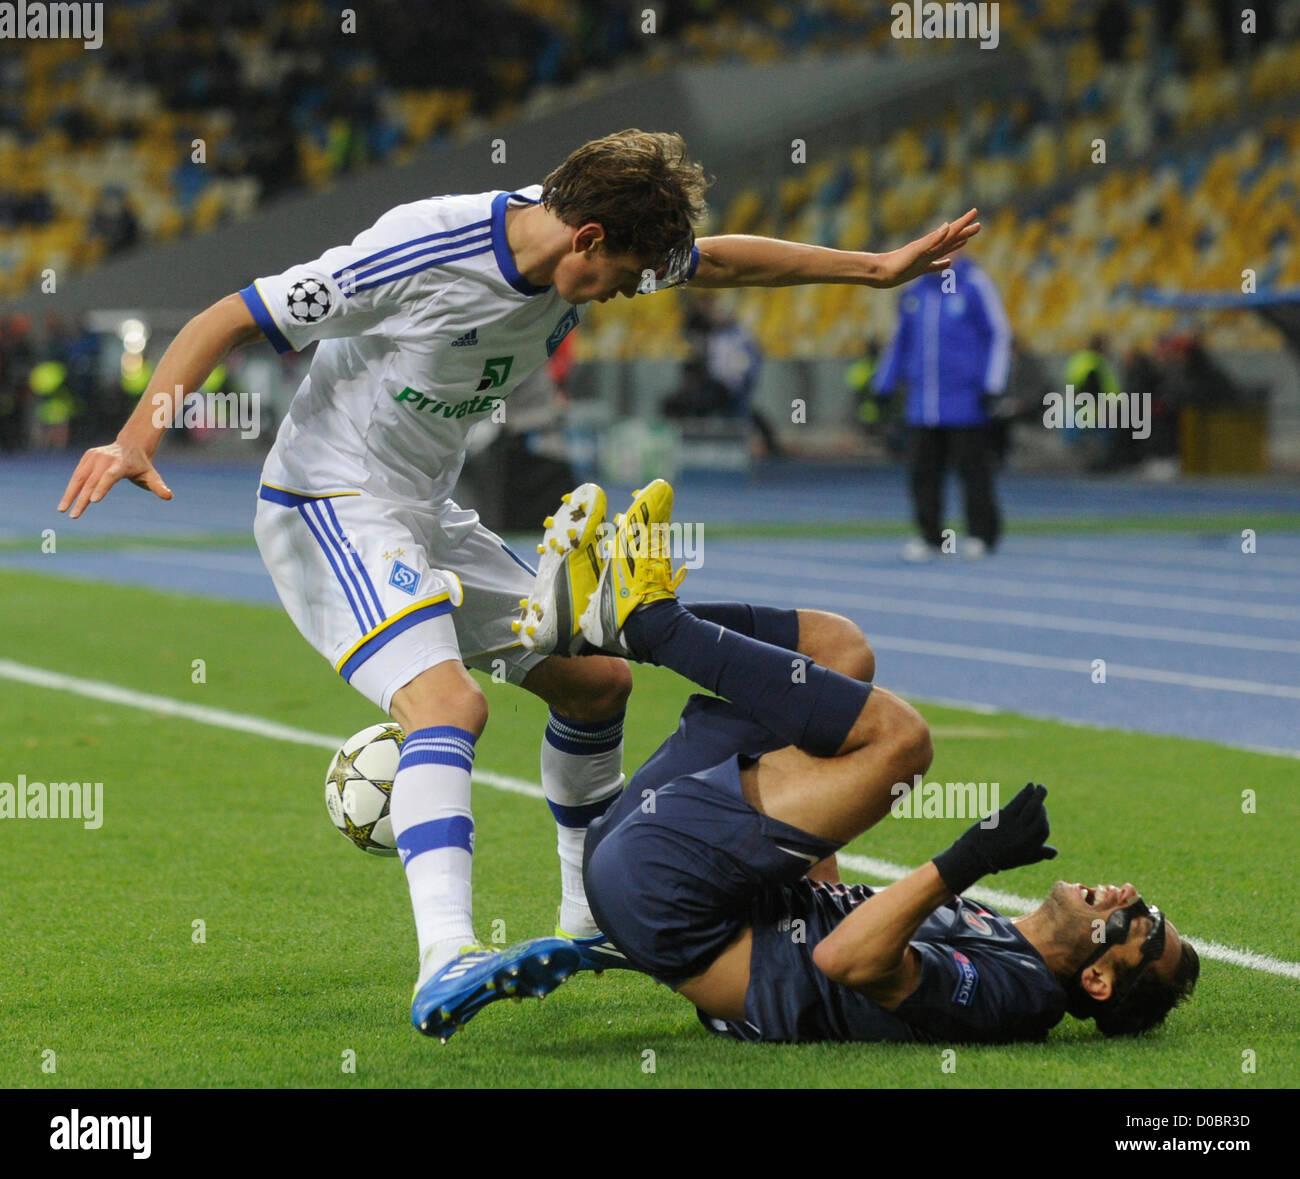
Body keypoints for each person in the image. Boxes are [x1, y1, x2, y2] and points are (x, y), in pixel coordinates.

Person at [56, 129, 980, 1038]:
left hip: (426, 510)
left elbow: (723, 263)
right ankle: (445, 956)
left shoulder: (600, 243)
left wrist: (870, 268)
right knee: (448, 707)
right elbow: (231, 314)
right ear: (585, 239)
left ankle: (588, 915)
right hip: (330, 501)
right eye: (622, 273)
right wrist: (139, 433)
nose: (627, 290)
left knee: (596, 681)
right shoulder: (422, 248)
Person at [459, 478, 1200, 1044]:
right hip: (661, 867)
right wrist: (826, 814)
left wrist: (969, 854)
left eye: (1142, 921)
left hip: (668, 895)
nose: (1131, 894)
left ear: (1098, 979)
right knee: (840, 650)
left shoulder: (1019, 996)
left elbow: (848, 958)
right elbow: (824, 904)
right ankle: (600, 631)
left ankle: (647, 623)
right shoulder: (997, 932)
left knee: (903, 745)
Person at [873, 254, 1010, 560]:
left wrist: (993, 385)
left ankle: (981, 534)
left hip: (966, 402)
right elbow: (899, 342)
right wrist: (884, 385)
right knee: (923, 473)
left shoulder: (975, 285)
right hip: (923, 404)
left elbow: (997, 335)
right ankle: (930, 536)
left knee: (972, 471)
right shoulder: (914, 292)